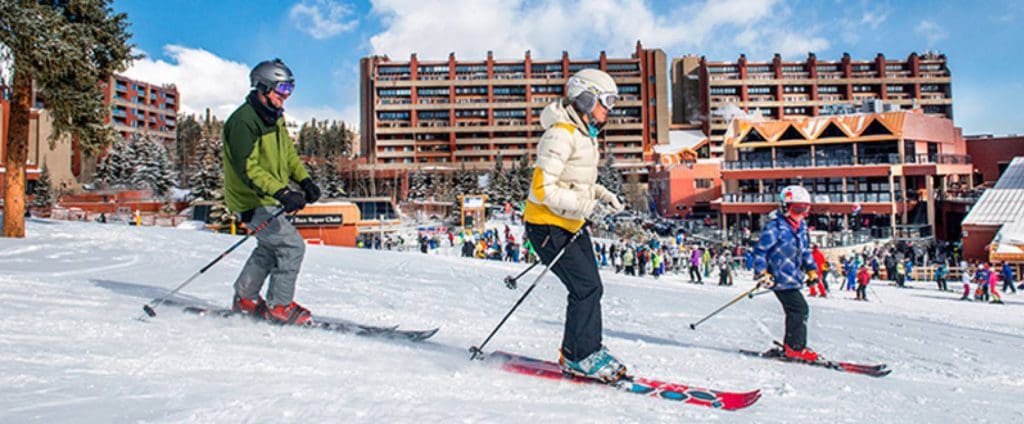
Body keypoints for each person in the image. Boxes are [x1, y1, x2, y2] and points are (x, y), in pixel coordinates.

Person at [522, 68, 627, 381]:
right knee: (585, 288)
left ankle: (586, 349)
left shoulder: (583, 135)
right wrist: (586, 206)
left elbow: (575, 182)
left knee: (591, 287)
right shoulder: (560, 134)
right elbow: (542, 190)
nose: (610, 109)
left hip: (568, 223)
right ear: (586, 97)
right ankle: (578, 355)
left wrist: (603, 194)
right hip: (546, 226)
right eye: (607, 101)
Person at [223, 59, 320, 325]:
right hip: (250, 197)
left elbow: (287, 154)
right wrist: (281, 192)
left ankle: (245, 299)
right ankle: (279, 306)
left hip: (267, 195)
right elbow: (247, 168)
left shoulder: (273, 116)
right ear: (262, 87)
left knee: (269, 247)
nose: (285, 97)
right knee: (291, 246)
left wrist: (304, 180)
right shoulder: (243, 122)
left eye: (289, 90)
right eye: (281, 90)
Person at [752, 185, 820, 361]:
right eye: (797, 209)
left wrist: (812, 269)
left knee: (796, 310)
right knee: (799, 308)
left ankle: (793, 345)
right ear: (784, 207)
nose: (802, 214)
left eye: (805, 210)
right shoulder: (775, 227)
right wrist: (762, 273)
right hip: (778, 278)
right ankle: (795, 348)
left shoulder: (801, 227)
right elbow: (760, 251)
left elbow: (805, 251)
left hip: (793, 277)